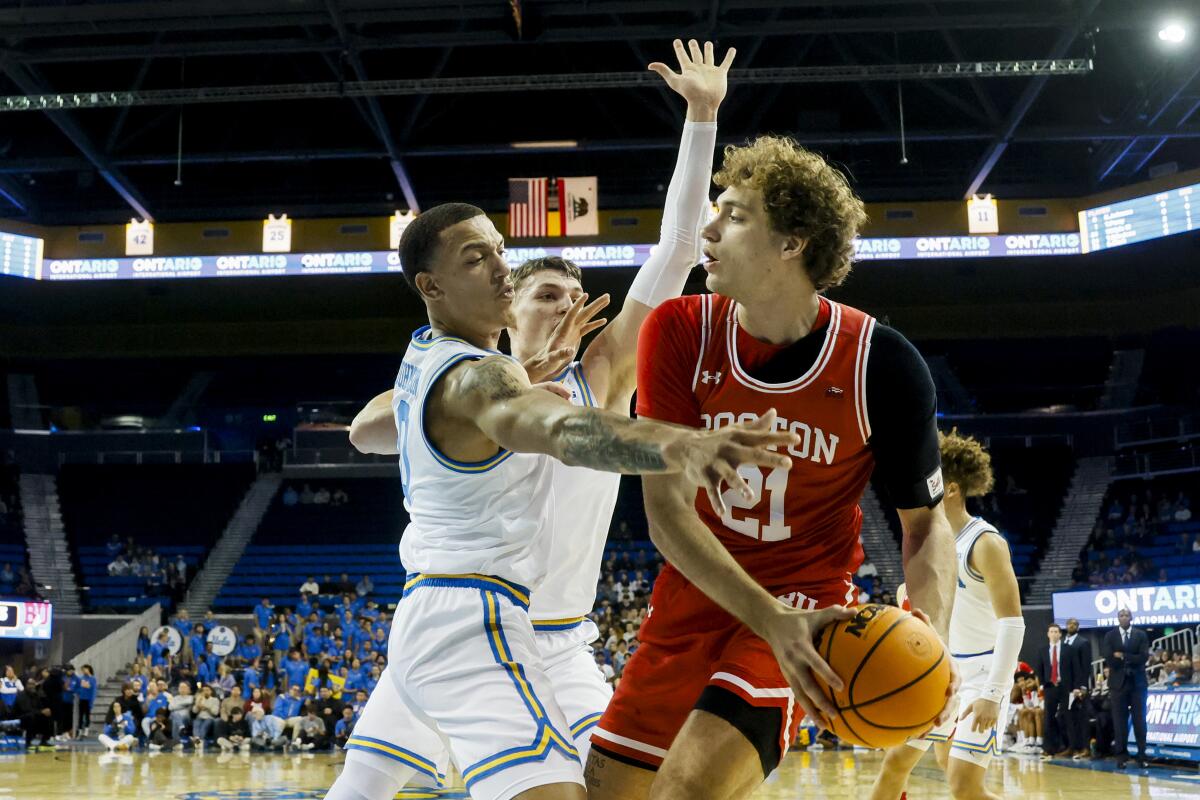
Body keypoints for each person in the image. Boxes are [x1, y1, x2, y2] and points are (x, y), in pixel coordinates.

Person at [329, 39, 788, 800]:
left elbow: (674, 252)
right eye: (543, 293)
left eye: (570, 297)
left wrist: (703, 118)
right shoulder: (471, 377)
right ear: (508, 308)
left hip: (552, 642)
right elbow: (367, 429)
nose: (559, 304)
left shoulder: (595, 376)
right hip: (471, 622)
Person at [584, 51, 958, 800]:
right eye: (714, 209)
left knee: (686, 792)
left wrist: (931, 638)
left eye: (735, 216)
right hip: (693, 593)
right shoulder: (680, 331)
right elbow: (664, 515)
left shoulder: (881, 363)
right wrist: (764, 613)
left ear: (792, 245)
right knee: (609, 792)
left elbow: (925, 526)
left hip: (808, 606)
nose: (710, 230)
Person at [868, 432, 1024, 800]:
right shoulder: (928, 544)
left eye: (930, 479)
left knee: (964, 788)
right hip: (941, 673)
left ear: (951, 489)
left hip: (983, 675)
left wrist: (993, 693)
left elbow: (1013, 623)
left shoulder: (985, 543)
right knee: (895, 764)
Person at [1102, 608, 1150, 768]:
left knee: (1140, 720)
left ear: (1131, 618)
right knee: (1119, 721)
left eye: (1126, 615)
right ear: (1118, 618)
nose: (1124, 617)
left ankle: (1142, 755)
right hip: (1118, 684)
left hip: (1138, 683)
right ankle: (1121, 756)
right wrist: (1130, 657)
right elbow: (1109, 658)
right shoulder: (1110, 635)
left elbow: (1143, 657)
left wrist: (1122, 655)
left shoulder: (1141, 635)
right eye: (1121, 615)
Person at [1032, 623, 1074, 758]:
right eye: (1052, 631)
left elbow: (1074, 668)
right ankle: (1048, 748)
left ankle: (1068, 746)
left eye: (1056, 631)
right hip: (1050, 687)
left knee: (1066, 717)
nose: (1054, 634)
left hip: (1065, 687)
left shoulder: (1068, 649)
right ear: (1048, 634)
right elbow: (1039, 668)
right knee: (1048, 718)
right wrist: (1043, 685)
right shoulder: (1042, 650)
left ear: (1060, 634)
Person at [1061, 617, 1092, 759]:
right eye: (1069, 624)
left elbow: (1086, 667)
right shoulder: (1062, 643)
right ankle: (1072, 747)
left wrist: (1083, 686)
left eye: (1074, 624)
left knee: (1082, 719)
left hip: (1079, 688)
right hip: (1066, 688)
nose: (1071, 626)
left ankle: (1085, 747)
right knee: (1069, 719)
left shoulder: (1083, 643)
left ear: (1078, 627)